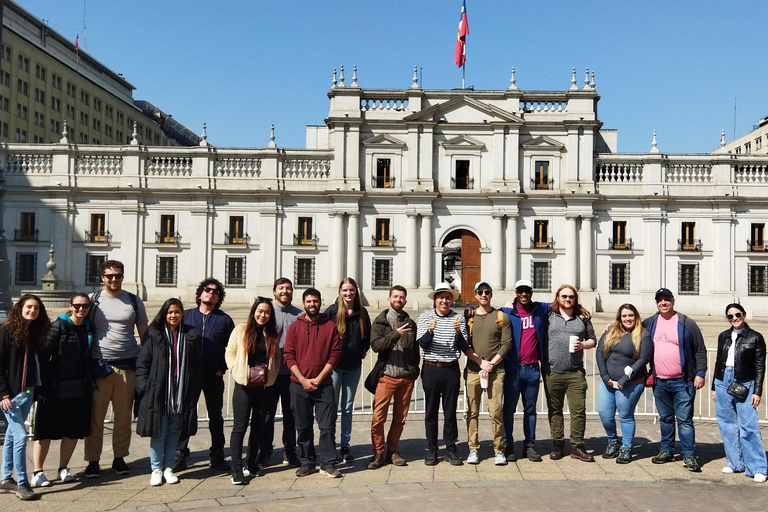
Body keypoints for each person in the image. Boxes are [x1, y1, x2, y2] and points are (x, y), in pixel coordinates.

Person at [85, 260, 149, 478]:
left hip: (127, 366)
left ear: (123, 276)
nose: (114, 279)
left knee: (123, 418)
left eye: (117, 275)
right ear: (102, 277)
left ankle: (119, 458)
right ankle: (93, 461)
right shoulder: (92, 301)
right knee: (96, 418)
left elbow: (144, 334)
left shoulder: (133, 300)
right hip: (99, 365)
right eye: (109, 275)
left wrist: (146, 363)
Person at [135, 299, 203, 486]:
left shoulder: (191, 335)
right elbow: (143, 364)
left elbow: (198, 366)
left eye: (177, 312)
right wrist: (145, 387)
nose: (173, 315)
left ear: (182, 314)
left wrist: (195, 387)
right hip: (159, 389)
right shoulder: (155, 335)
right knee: (159, 431)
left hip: (181, 390)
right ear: (164, 314)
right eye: (170, 312)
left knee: (175, 431)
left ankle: (168, 468)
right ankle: (156, 468)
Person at [172, 278, 235, 473]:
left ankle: (217, 455)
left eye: (215, 292)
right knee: (185, 414)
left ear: (219, 298)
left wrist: (222, 368)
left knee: (216, 416)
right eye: (207, 290)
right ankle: (180, 454)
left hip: (213, 375)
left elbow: (233, 347)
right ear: (200, 293)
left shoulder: (224, 320)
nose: (211, 293)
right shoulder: (187, 316)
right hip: (189, 375)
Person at [32, 293, 95, 487]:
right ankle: (38, 472)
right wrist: (41, 385)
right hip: (54, 387)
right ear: (70, 306)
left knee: (73, 430)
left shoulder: (88, 327)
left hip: (78, 387)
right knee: (45, 430)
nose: (81, 309)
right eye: (77, 306)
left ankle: (63, 468)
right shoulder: (58, 326)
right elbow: (43, 356)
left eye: (85, 306)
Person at [643, 288, 707, 473]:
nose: (663, 303)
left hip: (683, 381)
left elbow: (699, 350)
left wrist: (700, 373)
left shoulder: (687, 323)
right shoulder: (650, 322)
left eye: (667, 300)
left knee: (685, 421)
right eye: (660, 300)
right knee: (665, 419)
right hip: (660, 381)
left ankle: (689, 455)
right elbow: (628, 328)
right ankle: (667, 450)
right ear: (656, 303)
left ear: (673, 301)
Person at [284, 289, 342, 478]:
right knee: (303, 426)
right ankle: (307, 462)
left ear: (320, 302)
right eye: (308, 301)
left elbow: (335, 354)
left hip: (323, 385)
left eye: (315, 301)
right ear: (303, 304)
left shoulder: (330, 326)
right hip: (298, 385)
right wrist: (302, 379)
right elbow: (288, 355)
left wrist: (318, 378)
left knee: (327, 426)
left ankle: (328, 462)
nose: (312, 304)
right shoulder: (294, 327)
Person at [225, 297, 281, 485]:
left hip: (263, 387)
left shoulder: (272, 333)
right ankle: (236, 468)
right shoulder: (241, 330)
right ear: (254, 311)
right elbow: (230, 352)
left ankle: (251, 463)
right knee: (240, 428)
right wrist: (236, 370)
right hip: (244, 386)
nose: (262, 315)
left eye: (266, 312)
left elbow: (278, 357)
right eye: (260, 311)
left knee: (258, 427)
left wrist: (273, 373)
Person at [0, 294, 50, 501]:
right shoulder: (5, 331)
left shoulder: (34, 332)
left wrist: (39, 389)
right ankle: (22, 482)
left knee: (13, 434)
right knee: (21, 436)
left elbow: (38, 364)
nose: (32, 311)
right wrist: (3, 393)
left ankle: (5, 478)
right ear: (20, 308)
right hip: (9, 395)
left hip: (27, 391)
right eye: (29, 307)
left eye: (36, 308)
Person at [711, 303, 767, 482]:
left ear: (743, 314)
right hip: (722, 380)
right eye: (730, 316)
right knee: (727, 424)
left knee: (749, 425)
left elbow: (760, 367)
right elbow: (718, 361)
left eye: (737, 314)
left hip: (744, 381)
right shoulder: (724, 336)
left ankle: (758, 467)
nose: (734, 318)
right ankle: (735, 463)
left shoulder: (755, 337)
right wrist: (713, 386)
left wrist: (757, 391)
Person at [367, 285, 419, 469]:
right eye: (395, 296)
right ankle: (378, 452)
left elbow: (415, 350)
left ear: (405, 300)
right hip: (386, 376)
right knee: (378, 418)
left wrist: (414, 371)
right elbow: (376, 345)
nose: (398, 299)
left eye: (402, 297)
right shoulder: (380, 322)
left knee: (399, 419)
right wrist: (395, 334)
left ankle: (393, 451)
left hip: (406, 378)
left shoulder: (411, 322)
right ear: (389, 298)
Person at [543, 284, 597, 462]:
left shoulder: (582, 318)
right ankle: (557, 444)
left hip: (575, 372)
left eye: (571, 297)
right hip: (553, 371)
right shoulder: (548, 315)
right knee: (555, 410)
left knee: (578, 410)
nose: (567, 299)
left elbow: (593, 340)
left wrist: (583, 345)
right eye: (564, 296)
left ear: (575, 299)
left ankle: (577, 446)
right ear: (558, 298)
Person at [416, 282, 468, 466]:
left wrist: (457, 333)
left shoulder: (458, 319)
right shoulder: (425, 317)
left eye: (447, 297)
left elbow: (462, 346)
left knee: (450, 411)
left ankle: (451, 449)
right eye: (441, 297)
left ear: (451, 300)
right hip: (431, 367)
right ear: (435, 299)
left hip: (451, 368)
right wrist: (430, 331)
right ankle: (432, 448)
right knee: (430, 410)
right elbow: (422, 343)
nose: (444, 300)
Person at [499, 279, 549, 463]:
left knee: (530, 410)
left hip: (532, 369)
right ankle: (508, 445)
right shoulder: (506, 312)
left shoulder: (540, 310)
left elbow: (562, 303)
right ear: (516, 292)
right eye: (520, 291)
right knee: (508, 410)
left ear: (531, 292)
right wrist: (469, 310)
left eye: (527, 291)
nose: (524, 294)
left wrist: (581, 307)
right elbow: (486, 313)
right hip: (513, 369)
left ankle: (530, 446)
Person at [596, 303, 653, 464]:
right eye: (624, 316)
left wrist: (624, 379)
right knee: (605, 413)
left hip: (631, 383)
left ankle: (626, 448)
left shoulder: (643, 334)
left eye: (631, 315)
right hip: (607, 382)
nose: (627, 318)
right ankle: (612, 442)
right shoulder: (611, 331)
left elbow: (643, 359)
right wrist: (605, 375)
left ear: (636, 316)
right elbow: (600, 352)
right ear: (619, 318)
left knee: (625, 416)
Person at [463, 282, 511, 466]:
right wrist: (480, 362)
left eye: (487, 292)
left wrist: (491, 364)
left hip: (496, 371)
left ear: (491, 295)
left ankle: (499, 449)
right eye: (480, 292)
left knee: (496, 411)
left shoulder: (501, 317)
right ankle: (473, 449)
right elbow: (464, 345)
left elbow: (506, 344)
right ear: (475, 295)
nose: (484, 295)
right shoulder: (469, 318)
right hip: (474, 370)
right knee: (472, 411)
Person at [324, 277, 371, 463]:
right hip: (334, 368)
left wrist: (362, 352)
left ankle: (345, 446)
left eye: (351, 290)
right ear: (340, 291)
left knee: (348, 407)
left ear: (356, 292)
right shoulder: (332, 311)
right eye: (345, 290)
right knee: (332, 407)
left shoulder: (362, 312)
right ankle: (330, 445)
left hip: (353, 367)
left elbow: (366, 336)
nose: (348, 293)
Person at [267, 277, 302, 468]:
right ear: (274, 291)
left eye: (288, 288)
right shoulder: (266, 311)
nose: (285, 291)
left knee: (291, 416)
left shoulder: (299, 314)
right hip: (270, 373)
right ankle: (265, 452)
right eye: (281, 288)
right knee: (267, 415)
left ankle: (290, 451)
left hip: (291, 374)